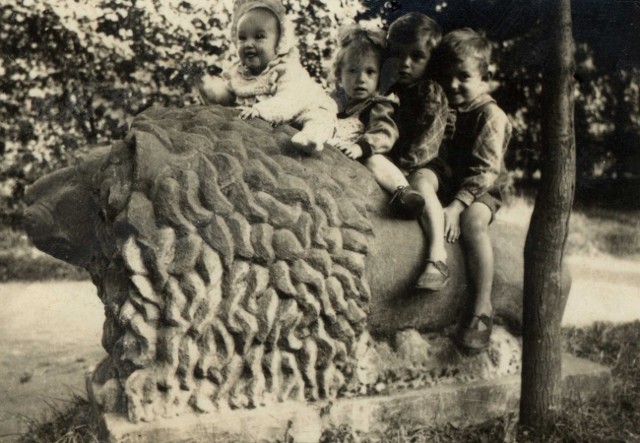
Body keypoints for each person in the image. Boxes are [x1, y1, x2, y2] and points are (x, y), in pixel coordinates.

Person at [430, 28, 513, 353]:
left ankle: (481, 308)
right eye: (447, 76)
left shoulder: (491, 116)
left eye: (463, 76)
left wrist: (457, 206)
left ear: (485, 76)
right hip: (451, 182)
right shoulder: (447, 109)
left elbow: (485, 170)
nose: (453, 85)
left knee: (473, 222)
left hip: (483, 188)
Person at [197, 0, 336, 152]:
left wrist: (261, 110)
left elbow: (289, 100)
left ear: (279, 43)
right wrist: (214, 92)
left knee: (320, 118)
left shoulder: (286, 69)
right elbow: (232, 93)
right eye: (242, 38)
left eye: (259, 36)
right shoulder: (240, 72)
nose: (249, 44)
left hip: (304, 106)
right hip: (277, 118)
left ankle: (310, 139)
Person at [383, 13, 451, 291]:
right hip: (397, 163)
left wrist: (403, 166)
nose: (405, 63)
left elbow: (428, 142)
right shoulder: (391, 89)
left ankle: (437, 257)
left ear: (430, 60)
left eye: (416, 56)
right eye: (398, 55)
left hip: (429, 164)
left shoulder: (430, 91)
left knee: (421, 183)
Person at [328, 24, 425, 217]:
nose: (361, 79)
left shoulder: (378, 104)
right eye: (353, 71)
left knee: (375, 160)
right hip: (333, 148)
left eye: (370, 72)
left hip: (363, 151)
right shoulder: (332, 101)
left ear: (381, 76)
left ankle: (403, 192)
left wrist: (362, 147)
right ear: (339, 74)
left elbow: (385, 131)